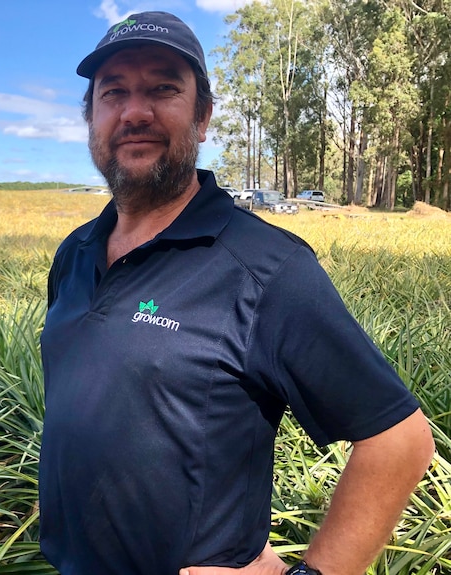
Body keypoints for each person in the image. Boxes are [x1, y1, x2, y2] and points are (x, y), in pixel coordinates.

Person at [38, 11, 435, 575]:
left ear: (202, 118)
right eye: (114, 92)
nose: (134, 111)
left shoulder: (267, 268)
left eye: (162, 89)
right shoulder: (74, 254)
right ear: (91, 117)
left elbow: (400, 441)